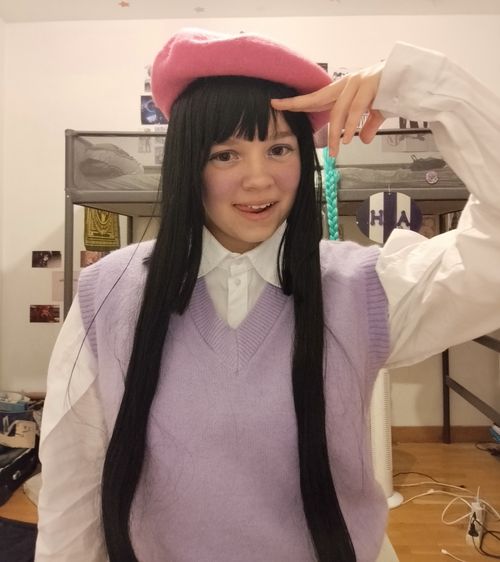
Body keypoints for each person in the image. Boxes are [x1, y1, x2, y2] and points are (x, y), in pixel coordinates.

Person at [35, 28, 500, 562]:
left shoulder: (363, 286)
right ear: (187, 164)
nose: (259, 180)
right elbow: (73, 487)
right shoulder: (110, 291)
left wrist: (422, 83)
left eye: (279, 149)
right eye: (225, 155)